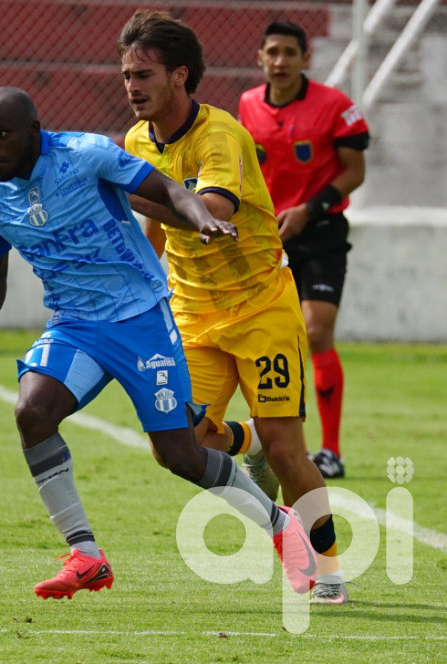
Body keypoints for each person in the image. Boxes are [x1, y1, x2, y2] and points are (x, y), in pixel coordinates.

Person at [0, 86, 317, 601]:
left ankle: (280, 526)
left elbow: (169, 190)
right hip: (75, 325)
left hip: (141, 317)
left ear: (34, 132)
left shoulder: (86, 155)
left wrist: (202, 219)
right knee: (32, 412)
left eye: (2, 135)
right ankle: (86, 556)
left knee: (181, 455)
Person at [117, 10, 347, 603]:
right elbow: (159, 224)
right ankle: (252, 451)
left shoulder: (220, 135)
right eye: (126, 75)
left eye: (144, 74)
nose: (132, 86)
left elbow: (211, 211)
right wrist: (141, 286)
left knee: (286, 448)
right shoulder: (138, 140)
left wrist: (129, 196)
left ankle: (329, 569)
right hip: (193, 314)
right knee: (179, 448)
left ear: (180, 76)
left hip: (260, 306)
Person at [238, 21, 370, 480]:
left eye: (289, 53)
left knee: (316, 332)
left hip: (320, 231)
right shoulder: (247, 105)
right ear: (260, 58)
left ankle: (330, 450)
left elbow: (354, 171)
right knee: (269, 337)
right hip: (267, 234)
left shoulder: (335, 106)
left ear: (305, 59)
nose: (280, 61)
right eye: (272, 52)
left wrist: (308, 211)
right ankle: (270, 441)